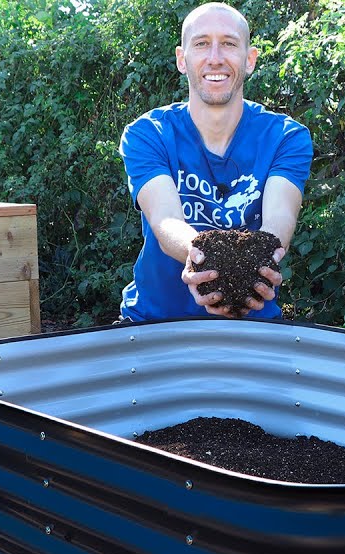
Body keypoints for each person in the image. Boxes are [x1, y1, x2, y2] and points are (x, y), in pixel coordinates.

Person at [117, 2, 313, 321]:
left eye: (229, 44)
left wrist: (264, 254)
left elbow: (280, 218)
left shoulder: (285, 137)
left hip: (252, 320)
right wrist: (201, 258)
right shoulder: (148, 134)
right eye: (202, 43)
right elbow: (166, 221)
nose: (215, 58)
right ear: (182, 59)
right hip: (154, 323)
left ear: (250, 60)